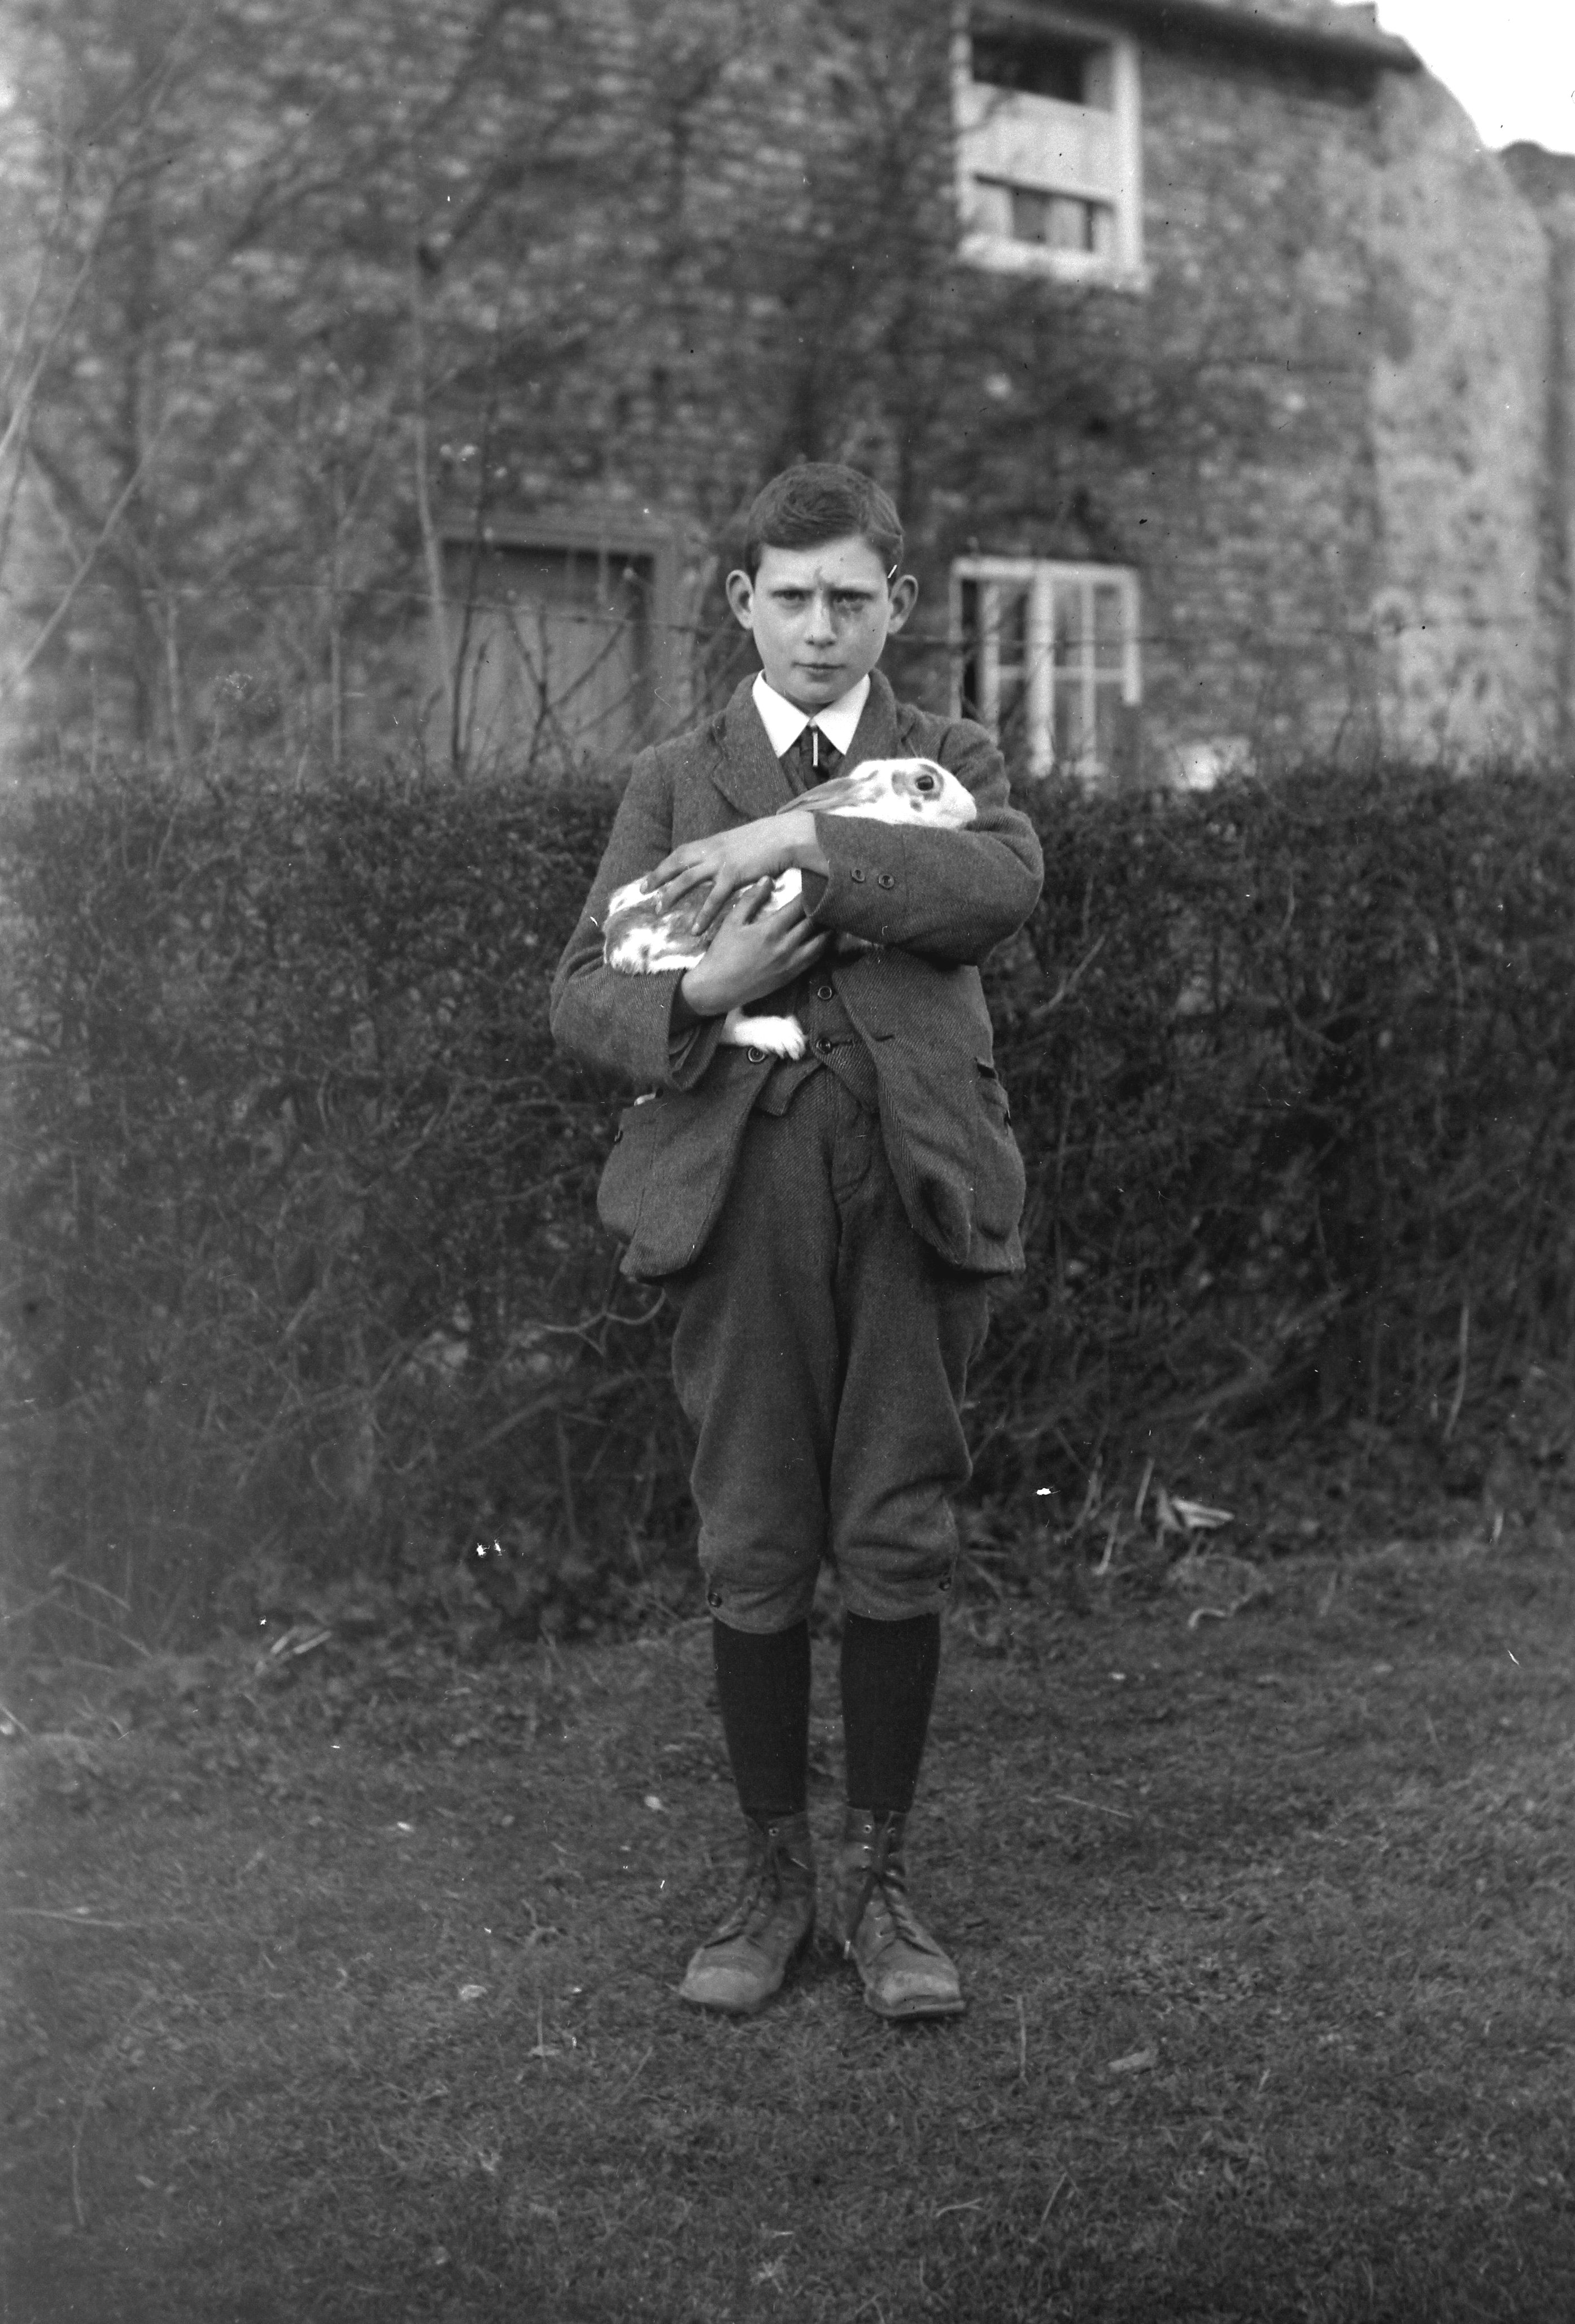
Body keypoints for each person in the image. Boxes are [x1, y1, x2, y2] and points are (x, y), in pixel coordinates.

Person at [549, 462, 1042, 2019]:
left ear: (897, 605)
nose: (822, 627)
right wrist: (697, 993)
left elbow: (996, 881)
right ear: (741, 601)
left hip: (913, 1186)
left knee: (897, 1522)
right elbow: (580, 988)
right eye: (793, 596)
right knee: (755, 1532)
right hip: (740, 1190)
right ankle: (772, 1881)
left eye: (852, 598)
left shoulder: (946, 757)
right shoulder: (669, 774)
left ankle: (880, 1885)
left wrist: (798, 841)